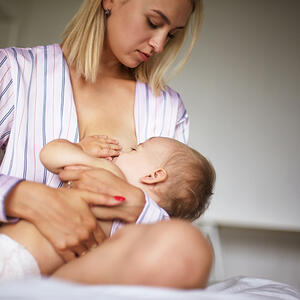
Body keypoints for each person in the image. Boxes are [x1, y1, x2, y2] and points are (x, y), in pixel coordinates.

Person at [0, 0, 212, 289]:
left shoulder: (167, 108)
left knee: (189, 247)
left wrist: (139, 206)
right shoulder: (14, 73)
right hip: (20, 244)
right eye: (153, 22)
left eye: (172, 34)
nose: (160, 45)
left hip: (85, 270)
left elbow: (169, 211)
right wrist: (25, 197)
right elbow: (52, 155)